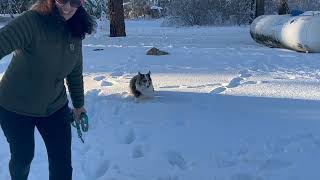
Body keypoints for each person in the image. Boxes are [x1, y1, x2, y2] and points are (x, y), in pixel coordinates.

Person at [0, 0, 95, 179]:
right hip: (15, 107)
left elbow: (75, 71)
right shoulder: (32, 22)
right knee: (23, 158)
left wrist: (78, 104)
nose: (67, 7)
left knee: (62, 164)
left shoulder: (76, 28)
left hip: (54, 106)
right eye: (62, 0)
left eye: (74, 1)